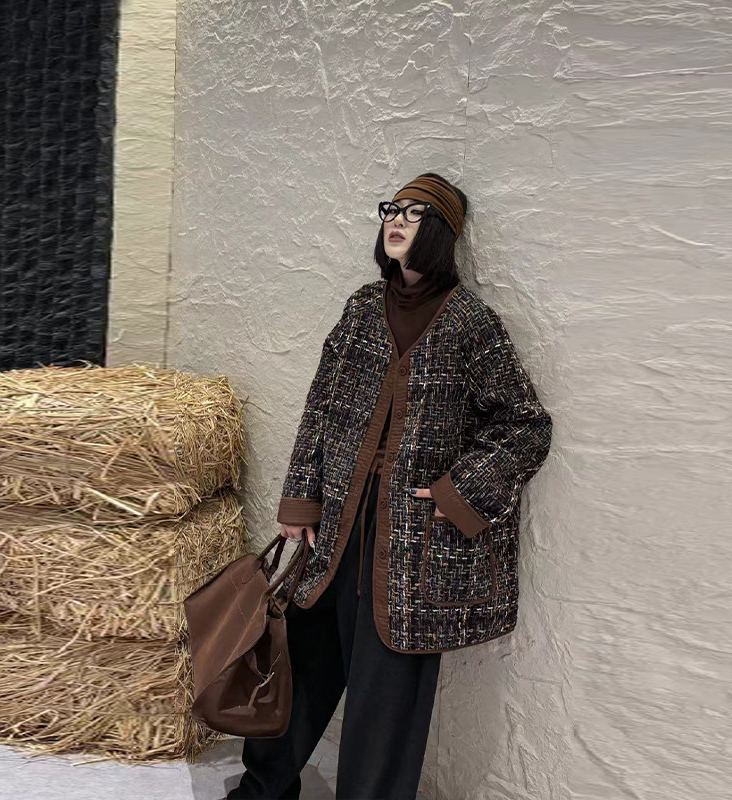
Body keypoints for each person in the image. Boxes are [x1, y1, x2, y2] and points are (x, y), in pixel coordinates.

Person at [227, 173, 552, 799]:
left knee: (387, 696)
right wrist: (300, 499)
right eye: (392, 209)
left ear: (442, 232)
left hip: (415, 542)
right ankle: (261, 792)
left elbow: (525, 424)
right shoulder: (361, 309)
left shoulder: (471, 323)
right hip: (337, 522)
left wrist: (459, 492)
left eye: (416, 212)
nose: (397, 220)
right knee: (302, 664)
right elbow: (322, 406)